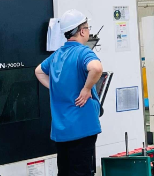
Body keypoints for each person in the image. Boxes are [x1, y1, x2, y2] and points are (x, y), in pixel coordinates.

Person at [36, 10, 104, 176]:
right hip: (82, 127)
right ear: (82, 31)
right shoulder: (83, 52)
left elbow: (38, 71)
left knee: (65, 172)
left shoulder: (57, 55)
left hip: (62, 129)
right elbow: (96, 68)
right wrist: (86, 89)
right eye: (88, 28)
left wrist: (56, 88)